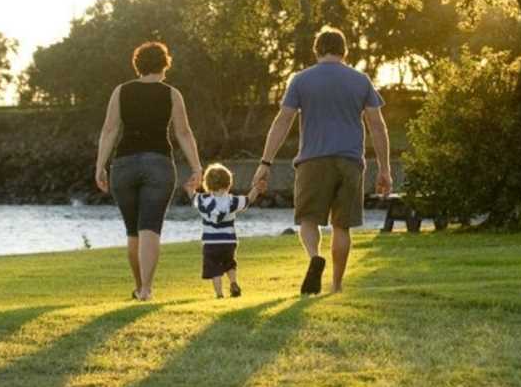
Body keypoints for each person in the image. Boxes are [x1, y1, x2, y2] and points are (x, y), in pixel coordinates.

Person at [252, 27, 392, 295]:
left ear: (317, 50)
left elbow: (283, 121)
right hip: (350, 161)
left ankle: (315, 257)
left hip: (312, 160)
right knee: (342, 226)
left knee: (308, 219)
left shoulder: (301, 80)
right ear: (344, 51)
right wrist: (384, 169)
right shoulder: (360, 80)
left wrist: (265, 162)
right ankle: (336, 286)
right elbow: (378, 126)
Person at [95, 41, 203, 301]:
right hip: (159, 164)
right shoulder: (172, 94)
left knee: (133, 231)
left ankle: (138, 287)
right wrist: (197, 167)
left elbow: (109, 130)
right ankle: (146, 288)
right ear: (164, 64)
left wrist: (100, 165)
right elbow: (183, 132)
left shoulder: (120, 91)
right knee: (150, 228)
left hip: (124, 164)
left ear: (138, 65)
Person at [191, 163, 265, 298]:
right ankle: (233, 282)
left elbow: (193, 197)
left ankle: (219, 294)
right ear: (228, 183)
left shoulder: (203, 200)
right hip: (228, 241)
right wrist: (256, 189)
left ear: (207, 183)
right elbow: (248, 200)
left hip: (211, 242)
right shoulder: (232, 201)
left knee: (214, 269)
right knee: (229, 263)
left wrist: (191, 187)